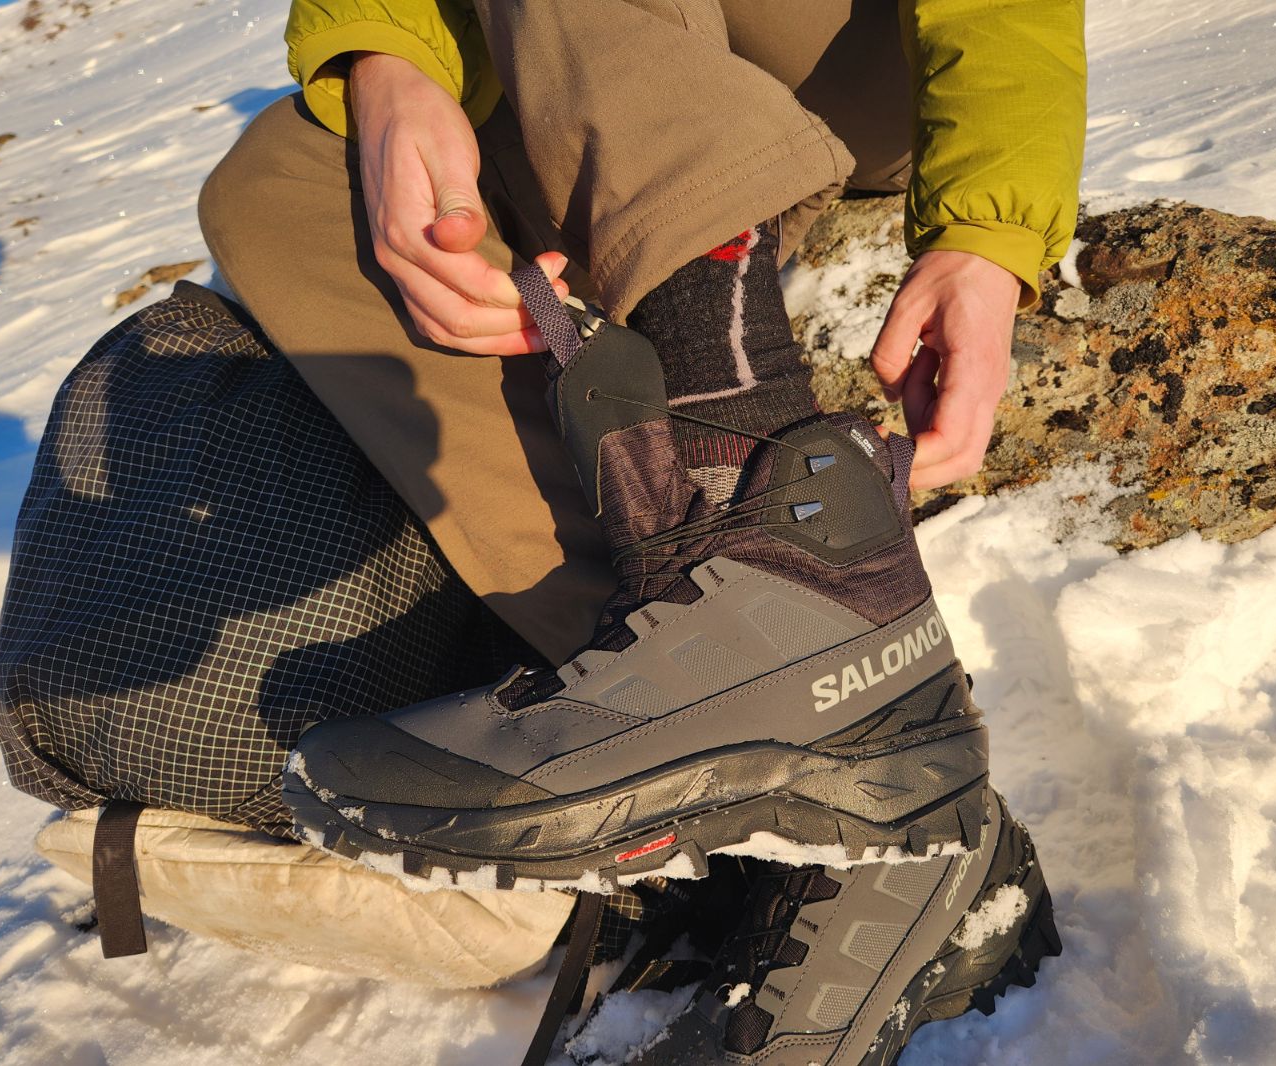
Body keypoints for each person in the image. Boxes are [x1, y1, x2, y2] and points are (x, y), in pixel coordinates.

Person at [199, 2, 1084, 1062]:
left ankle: (790, 585)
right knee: (281, 180)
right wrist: (387, 58)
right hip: (556, 56)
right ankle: (742, 683)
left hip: (845, 56)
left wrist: (988, 230)